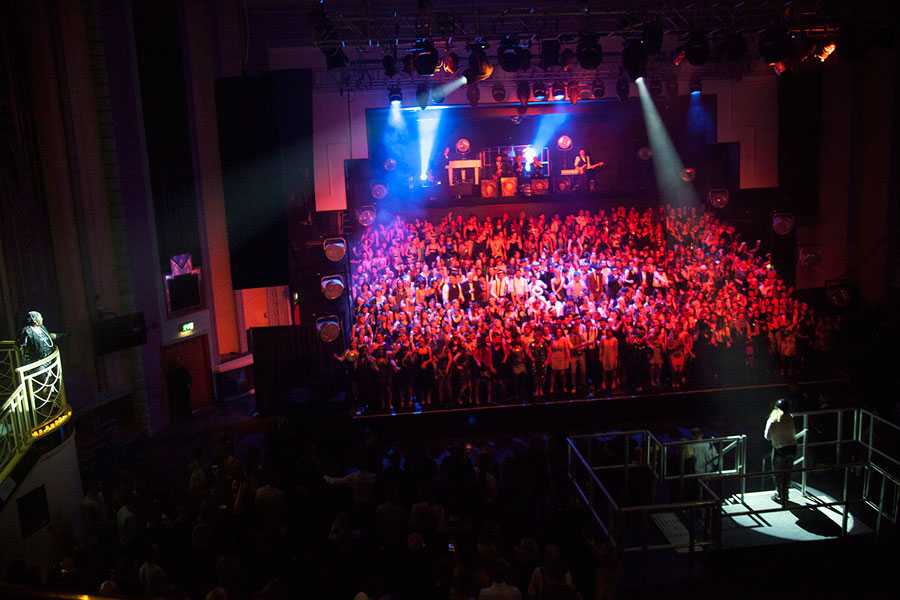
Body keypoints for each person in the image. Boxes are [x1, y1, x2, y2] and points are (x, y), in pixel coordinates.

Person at [764, 398, 797, 506]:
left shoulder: (772, 420)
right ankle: (786, 494)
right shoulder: (791, 417)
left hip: (780, 449)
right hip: (792, 448)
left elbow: (767, 437)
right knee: (788, 472)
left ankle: (780, 495)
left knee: (778, 474)